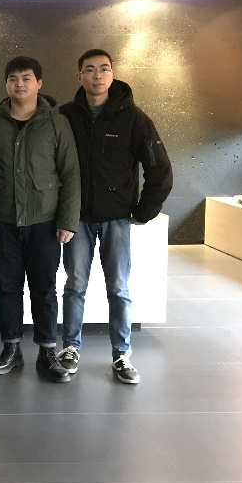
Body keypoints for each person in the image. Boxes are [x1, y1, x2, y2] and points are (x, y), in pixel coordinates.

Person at [57, 49, 173, 384]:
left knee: (118, 288)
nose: (97, 75)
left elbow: (160, 169)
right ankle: (70, 348)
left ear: (112, 74)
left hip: (116, 218)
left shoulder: (134, 118)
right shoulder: (65, 116)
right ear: (79, 76)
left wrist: (143, 211)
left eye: (104, 69)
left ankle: (121, 354)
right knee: (75, 286)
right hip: (76, 218)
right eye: (89, 69)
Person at [0, 56, 80, 383]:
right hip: (3, 219)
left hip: (44, 222)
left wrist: (67, 220)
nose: (19, 84)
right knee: (8, 287)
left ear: (39, 83)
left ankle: (48, 350)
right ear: (5, 84)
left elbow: (71, 174)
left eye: (26, 78)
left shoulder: (56, 123)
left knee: (44, 288)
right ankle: (11, 348)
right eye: (13, 79)